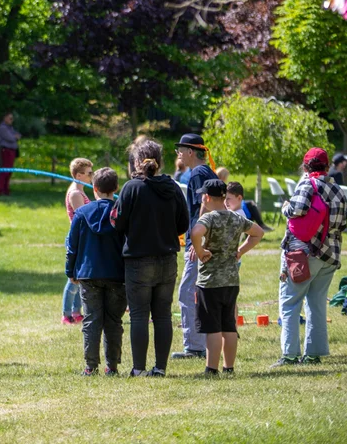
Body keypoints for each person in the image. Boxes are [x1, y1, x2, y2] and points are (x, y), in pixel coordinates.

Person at [110, 138, 189, 377]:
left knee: (139, 316)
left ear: (136, 162)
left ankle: (139, 368)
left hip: (138, 259)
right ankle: (161, 368)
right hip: (167, 259)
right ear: (161, 162)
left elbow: (117, 222)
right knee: (163, 315)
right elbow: (183, 223)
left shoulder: (131, 188)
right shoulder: (173, 187)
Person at [273, 147, 347, 367]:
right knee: (316, 305)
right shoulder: (338, 189)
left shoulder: (307, 184)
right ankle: (313, 354)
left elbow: (297, 210)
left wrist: (285, 206)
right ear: (327, 167)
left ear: (306, 166)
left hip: (303, 254)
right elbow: (343, 224)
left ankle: (289, 354)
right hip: (329, 255)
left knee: (290, 303)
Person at [190, 179, 264, 377]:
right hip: (231, 280)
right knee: (229, 325)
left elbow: (195, 232)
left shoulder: (209, 218)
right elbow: (258, 233)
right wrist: (240, 251)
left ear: (206, 197)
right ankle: (229, 367)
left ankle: (211, 369)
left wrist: (199, 250)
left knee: (212, 327)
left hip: (210, 281)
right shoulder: (235, 217)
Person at [66, 167, 125, 376]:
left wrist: (70, 270)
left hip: (89, 273)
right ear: (116, 188)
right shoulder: (121, 213)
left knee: (91, 319)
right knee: (113, 320)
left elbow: (72, 245)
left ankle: (91, 366)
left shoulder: (82, 213)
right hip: (117, 273)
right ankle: (112, 366)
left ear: (94, 188)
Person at [172, 133, 216, 361]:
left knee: (188, 292)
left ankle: (195, 347)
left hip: (200, 242)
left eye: (180, 149)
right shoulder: (205, 172)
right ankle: (203, 343)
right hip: (208, 240)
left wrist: (197, 241)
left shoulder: (198, 173)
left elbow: (205, 206)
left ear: (190, 152)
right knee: (199, 292)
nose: (178, 154)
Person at [62, 158, 92, 324]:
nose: (91, 176)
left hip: (82, 238)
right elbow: (84, 217)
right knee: (73, 280)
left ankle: (76, 312)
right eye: (89, 173)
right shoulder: (75, 193)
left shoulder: (80, 190)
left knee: (80, 278)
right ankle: (67, 314)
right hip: (77, 239)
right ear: (79, 175)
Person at [0, 113, 21, 196]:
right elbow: (11, 138)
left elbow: (18, 135)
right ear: (5, 118)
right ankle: (1, 189)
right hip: (6, 150)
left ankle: (6, 189)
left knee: (9, 171)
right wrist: (15, 136)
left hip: (12, 150)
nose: (11, 120)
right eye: (10, 118)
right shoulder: (2, 128)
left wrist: (16, 136)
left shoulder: (10, 128)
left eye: (12, 118)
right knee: (5, 170)